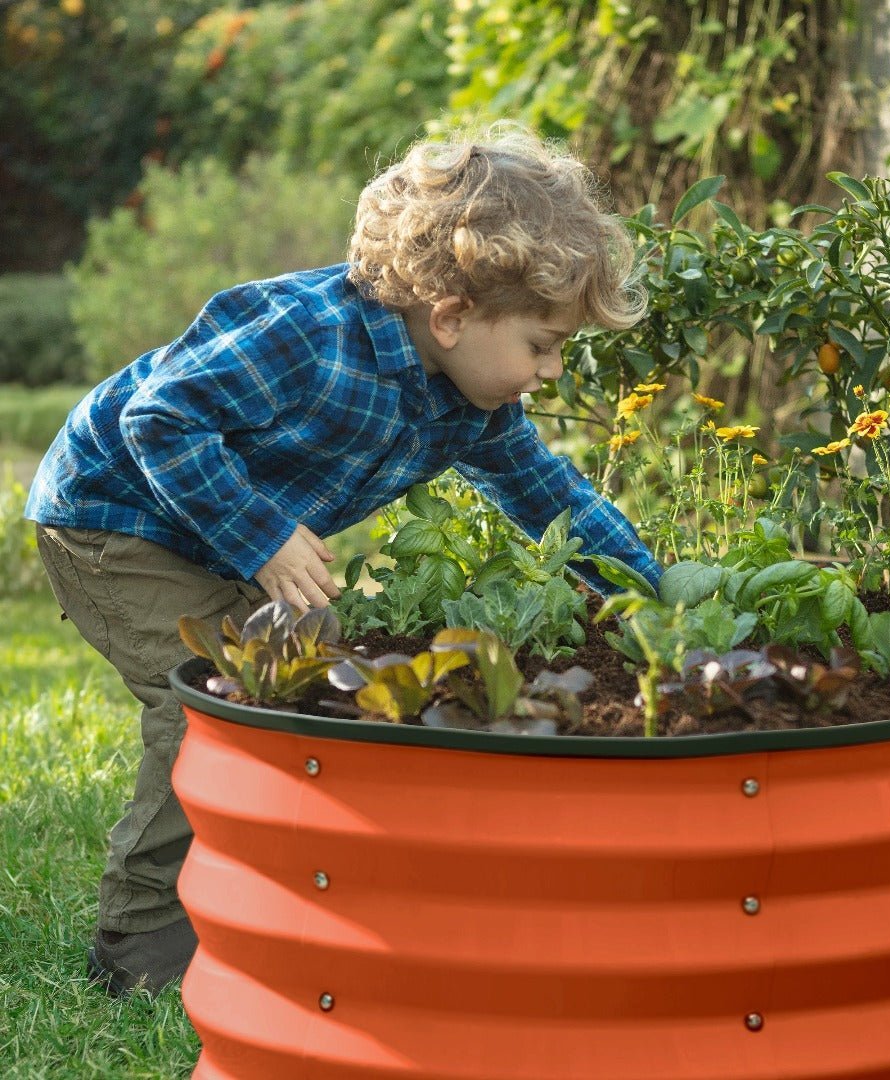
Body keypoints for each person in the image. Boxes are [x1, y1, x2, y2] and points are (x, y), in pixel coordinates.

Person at [25, 125, 663, 997]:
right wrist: (263, 537)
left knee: (306, 666)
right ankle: (135, 951)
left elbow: (552, 500)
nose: (549, 372)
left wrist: (655, 594)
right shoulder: (309, 335)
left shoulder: (469, 403)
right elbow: (159, 422)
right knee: (213, 700)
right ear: (451, 316)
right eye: (542, 345)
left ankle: (270, 890)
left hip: (209, 523)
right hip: (113, 516)